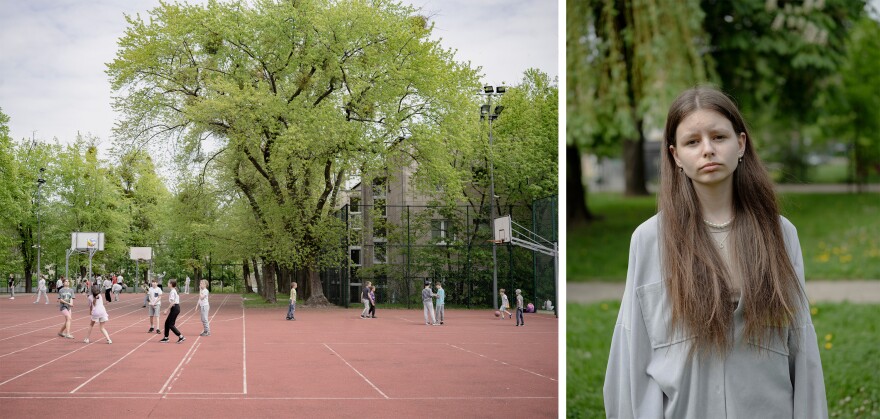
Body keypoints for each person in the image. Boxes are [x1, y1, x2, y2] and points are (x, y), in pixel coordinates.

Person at [604, 87, 827, 418]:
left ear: (740, 144)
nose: (707, 150)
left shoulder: (780, 234)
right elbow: (632, 354)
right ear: (676, 156)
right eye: (692, 141)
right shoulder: (650, 239)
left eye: (718, 137)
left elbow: (801, 346)